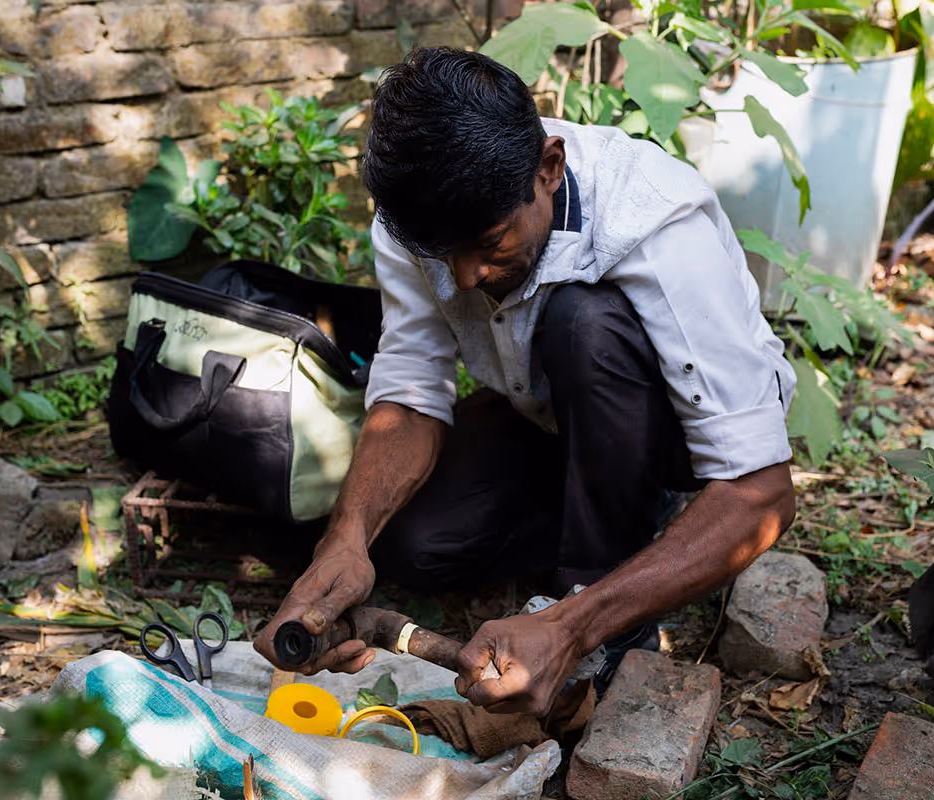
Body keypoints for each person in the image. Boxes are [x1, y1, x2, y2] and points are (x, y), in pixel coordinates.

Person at [253, 47, 797, 717]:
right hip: (545, 412)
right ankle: (612, 522)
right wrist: (346, 538)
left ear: (549, 169)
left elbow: (761, 492)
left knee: (583, 322)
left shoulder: (655, 222)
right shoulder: (422, 221)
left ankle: (608, 593)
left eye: (489, 242)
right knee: (415, 546)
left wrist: (574, 624)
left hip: (668, 433)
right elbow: (412, 393)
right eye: (440, 256)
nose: (466, 275)